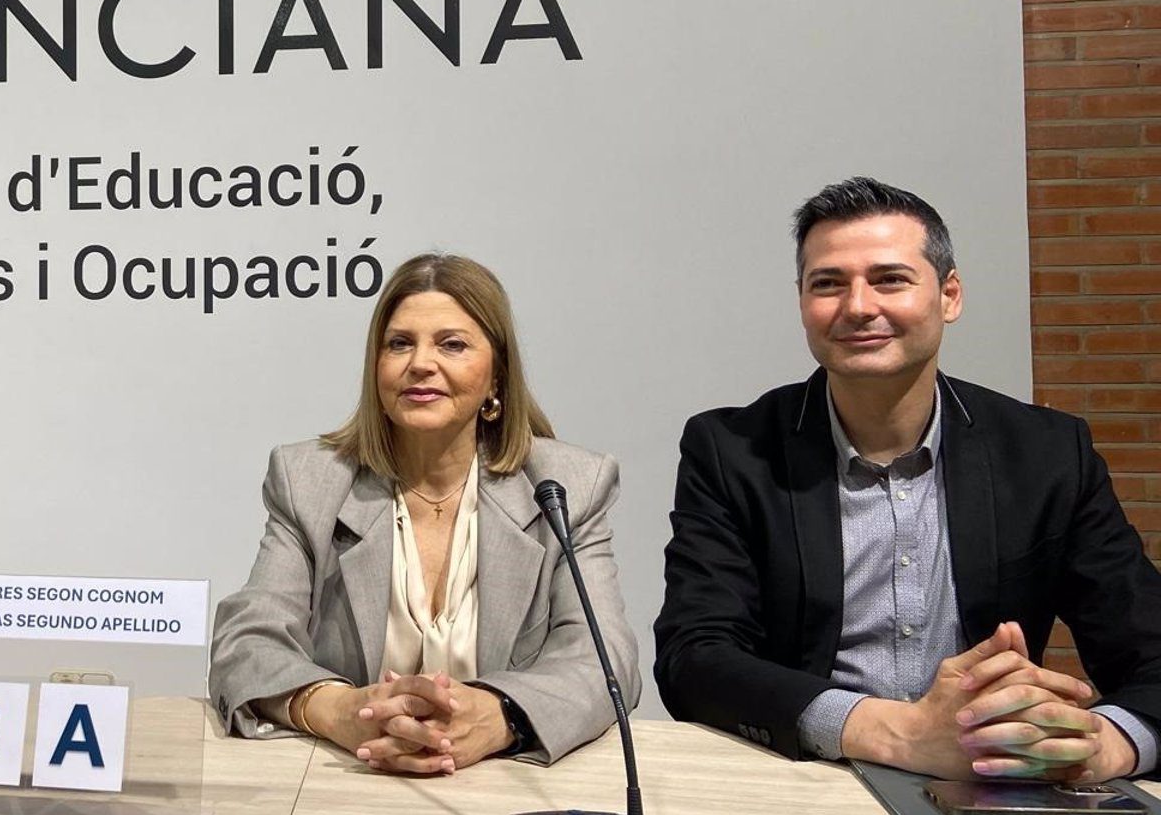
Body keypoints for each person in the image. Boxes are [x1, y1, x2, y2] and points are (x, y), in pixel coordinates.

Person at [655, 177, 1161, 781]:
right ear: (802, 302)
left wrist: (1106, 744)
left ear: (949, 295)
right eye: (828, 284)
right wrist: (894, 733)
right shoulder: (733, 450)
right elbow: (695, 658)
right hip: (810, 776)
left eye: (890, 279)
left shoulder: (1045, 453)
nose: (858, 306)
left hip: (992, 777)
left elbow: (1150, 652)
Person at [210, 253, 637, 773]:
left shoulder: (566, 485)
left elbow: (603, 659)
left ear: (496, 378)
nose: (420, 363)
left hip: (499, 784)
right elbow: (246, 642)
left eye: (452, 344)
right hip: (346, 778)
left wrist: (500, 715)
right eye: (399, 343)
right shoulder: (309, 481)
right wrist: (340, 710)